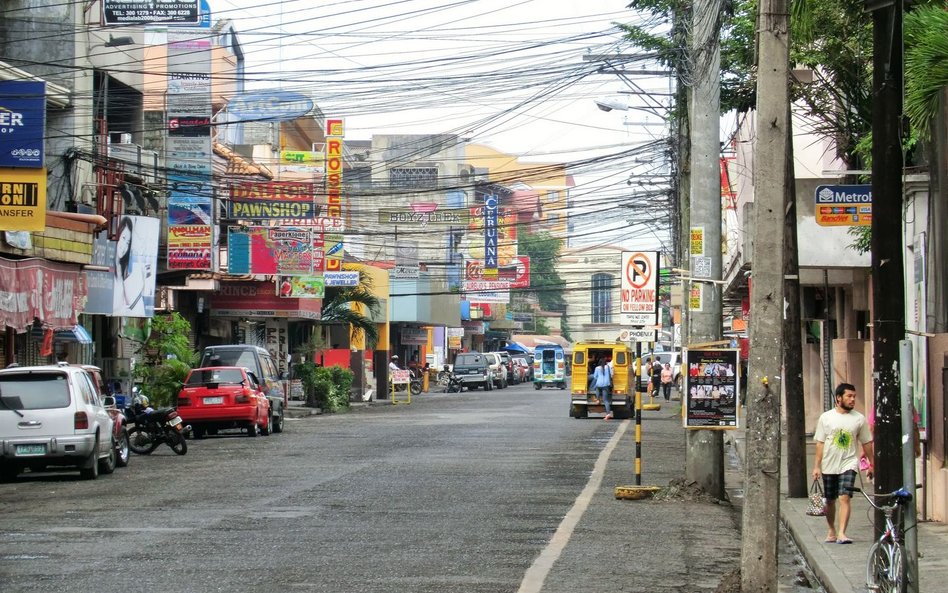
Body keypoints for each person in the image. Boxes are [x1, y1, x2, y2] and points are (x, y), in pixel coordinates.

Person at [811, 382, 874, 545]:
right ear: (839, 398)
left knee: (845, 497)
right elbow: (820, 443)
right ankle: (831, 529)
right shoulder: (826, 417)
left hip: (849, 463)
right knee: (830, 500)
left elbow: (866, 442)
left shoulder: (859, 419)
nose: (852, 399)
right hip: (829, 464)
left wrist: (872, 463)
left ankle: (842, 533)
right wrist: (817, 466)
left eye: (854, 396)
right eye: (849, 396)